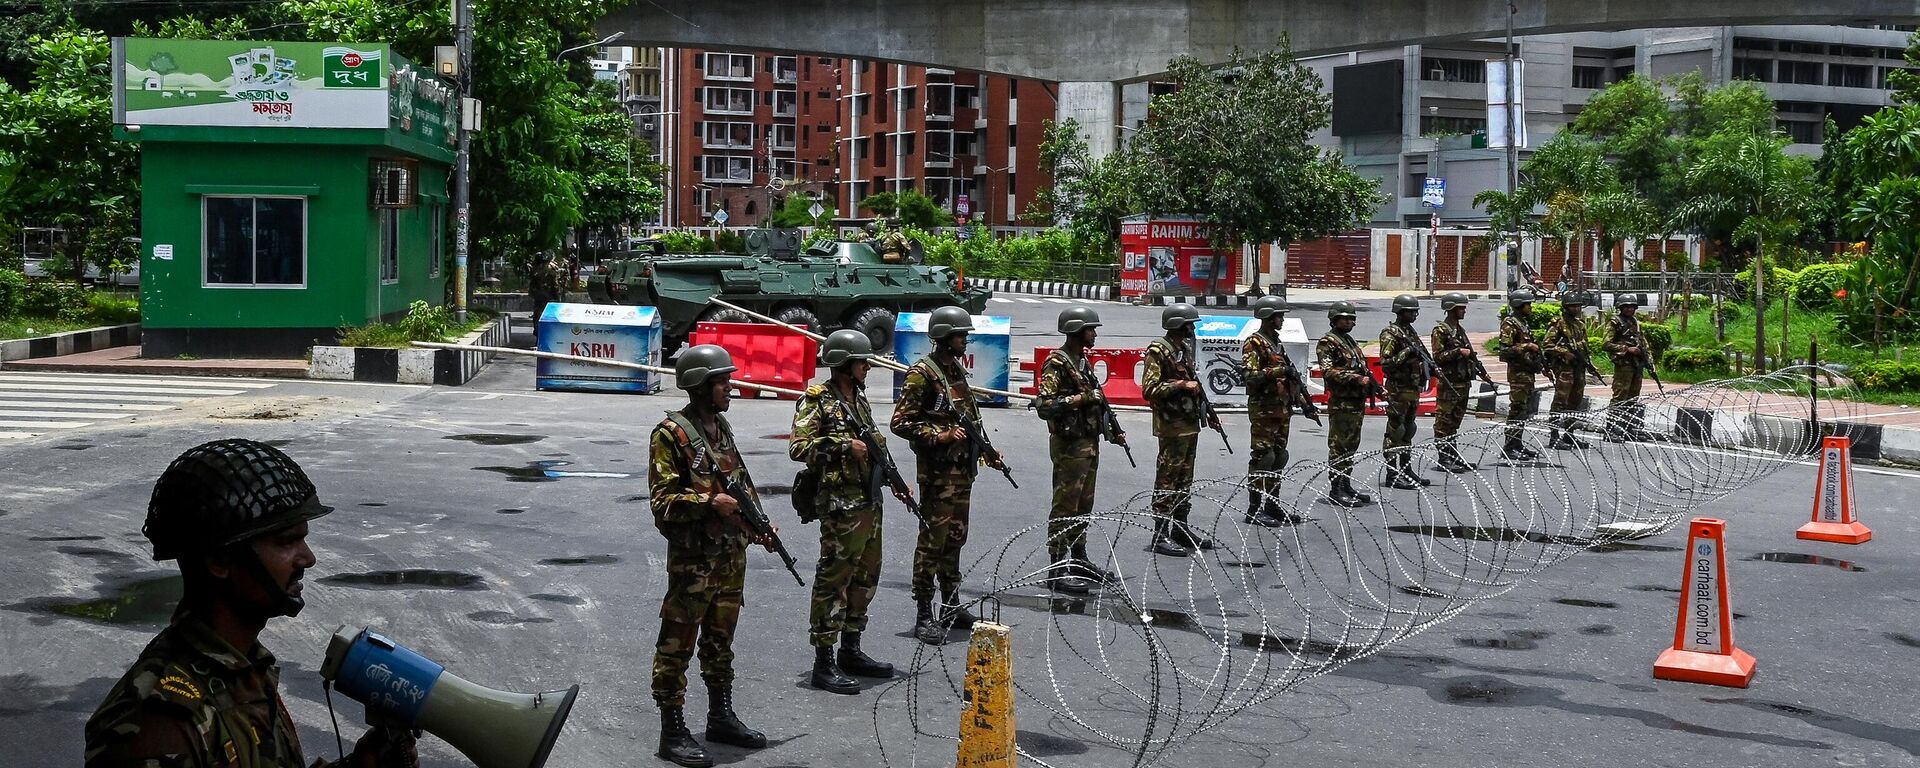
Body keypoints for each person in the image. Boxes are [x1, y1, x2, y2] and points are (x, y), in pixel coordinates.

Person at [85, 438, 417, 768]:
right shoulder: (161, 722)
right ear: (219, 560)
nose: (308, 558)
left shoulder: (240, 668)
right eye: (286, 542)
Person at [649, 345, 772, 767]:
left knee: (721, 641)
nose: (730, 388)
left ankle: (720, 716)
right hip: (694, 562)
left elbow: (740, 481)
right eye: (722, 382)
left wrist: (759, 524)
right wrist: (708, 502)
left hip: (729, 556)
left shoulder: (720, 428)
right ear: (701, 385)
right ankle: (672, 729)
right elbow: (662, 502)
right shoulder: (671, 434)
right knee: (677, 642)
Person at [789, 330, 898, 694]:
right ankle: (824, 660)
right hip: (839, 505)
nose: (868, 367)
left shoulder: (859, 399)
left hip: (868, 502)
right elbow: (799, 447)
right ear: (844, 364)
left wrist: (893, 477)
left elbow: (874, 443)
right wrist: (840, 445)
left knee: (866, 576)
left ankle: (851, 648)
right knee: (834, 579)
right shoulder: (817, 400)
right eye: (862, 361)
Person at [891, 305, 1007, 644]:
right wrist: (939, 435)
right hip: (938, 476)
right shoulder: (922, 374)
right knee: (932, 543)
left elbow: (970, 422)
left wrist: (988, 451)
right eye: (960, 334)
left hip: (961, 473)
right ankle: (924, 613)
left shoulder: (954, 371)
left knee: (955, 539)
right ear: (943, 337)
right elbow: (900, 423)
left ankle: (951, 605)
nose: (966, 340)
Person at [1033, 306, 1128, 593]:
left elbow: (1099, 403)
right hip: (1069, 445)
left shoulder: (1081, 362)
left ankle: (1078, 557)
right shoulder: (1058, 364)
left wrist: (1113, 429)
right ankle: (1056, 566)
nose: (1095, 334)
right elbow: (1044, 405)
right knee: (1065, 504)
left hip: (1088, 442)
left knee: (1084, 504)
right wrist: (1082, 398)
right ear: (1076, 331)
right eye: (1090, 329)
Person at [1141, 303, 1219, 556]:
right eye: (1189, 323)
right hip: (1171, 425)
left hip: (1188, 423)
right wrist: (1181, 385)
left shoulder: (1182, 349)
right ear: (1178, 324)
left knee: (1184, 479)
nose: (1193, 328)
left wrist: (1208, 412)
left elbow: (1196, 385)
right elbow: (1149, 389)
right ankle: (1160, 533)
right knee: (1168, 477)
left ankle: (1180, 528)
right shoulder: (1159, 351)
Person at [1240, 295, 1303, 526]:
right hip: (1263, 409)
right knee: (1262, 458)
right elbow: (1249, 376)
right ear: (1267, 316)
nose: (1282, 320)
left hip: (1281, 409)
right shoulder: (1254, 343)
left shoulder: (1275, 342)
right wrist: (1277, 372)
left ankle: (1272, 504)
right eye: (1279, 316)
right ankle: (1254, 508)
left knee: (1279, 457)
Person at [1316, 301, 1376, 507]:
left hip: (1355, 401)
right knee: (1339, 446)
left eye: (1352, 319)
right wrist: (1355, 378)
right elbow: (1328, 371)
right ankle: (1336, 488)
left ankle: (1346, 483)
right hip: (1342, 402)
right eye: (1345, 318)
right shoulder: (1327, 342)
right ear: (1334, 319)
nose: (1350, 322)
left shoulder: (1349, 341)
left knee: (1351, 445)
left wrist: (1374, 385)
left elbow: (1363, 368)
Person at [1377, 295, 1432, 490]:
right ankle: (1392, 473)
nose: (1415, 314)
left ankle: (1406, 469)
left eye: (1416, 311)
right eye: (1411, 311)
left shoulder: (1409, 332)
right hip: (1398, 390)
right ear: (1400, 311)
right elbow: (1386, 363)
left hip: (1412, 389)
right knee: (1396, 431)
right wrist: (1407, 353)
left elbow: (1423, 354)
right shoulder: (1390, 334)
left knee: (1408, 430)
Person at [1429, 293, 1480, 473]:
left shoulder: (1459, 329)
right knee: (1444, 421)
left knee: (1455, 422)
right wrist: (1458, 352)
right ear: (1451, 308)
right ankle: (1444, 457)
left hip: (1462, 382)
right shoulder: (1441, 330)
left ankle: (1453, 455)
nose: (1464, 311)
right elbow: (1437, 357)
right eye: (1460, 307)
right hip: (1449, 383)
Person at [1497, 288, 1545, 462]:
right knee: (1516, 409)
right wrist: (1526, 347)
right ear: (1519, 305)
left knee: (1523, 410)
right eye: (1527, 304)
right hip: (1518, 374)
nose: (1530, 307)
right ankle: (1510, 446)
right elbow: (1504, 351)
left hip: (1528, 373)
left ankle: (1517, 443)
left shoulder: (1523, 323)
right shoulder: (1510, 324)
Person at [1542, 292, 1594, 451]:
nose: (1576, 308)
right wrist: (1564, 352)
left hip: (1578, 368)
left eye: (1578, 305)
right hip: (1564, 368)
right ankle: (1554, 436)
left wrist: (1588, 363)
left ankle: (1569, 435)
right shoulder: (1558, 324)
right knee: (1560, 401)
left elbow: (1584, 347)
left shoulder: (1580, 325)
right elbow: (1547, 345)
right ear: (1566, 307)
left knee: (1575, 401)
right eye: (1573, 306)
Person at [1601, 296, 1652, 442]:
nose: (1629, 309)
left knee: (1633, 397)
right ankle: (1611, 428)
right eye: (1626, 306)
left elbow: (1643, 343)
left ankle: (1628, 427)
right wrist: (1627, 349)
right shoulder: (1615, 322)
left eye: (1632, 307)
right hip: (1624, 365)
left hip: (1637, 365)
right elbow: (1606, 344)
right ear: (1621, 307)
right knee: (1620, 397)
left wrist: (1650, 362)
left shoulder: (1635, 322)